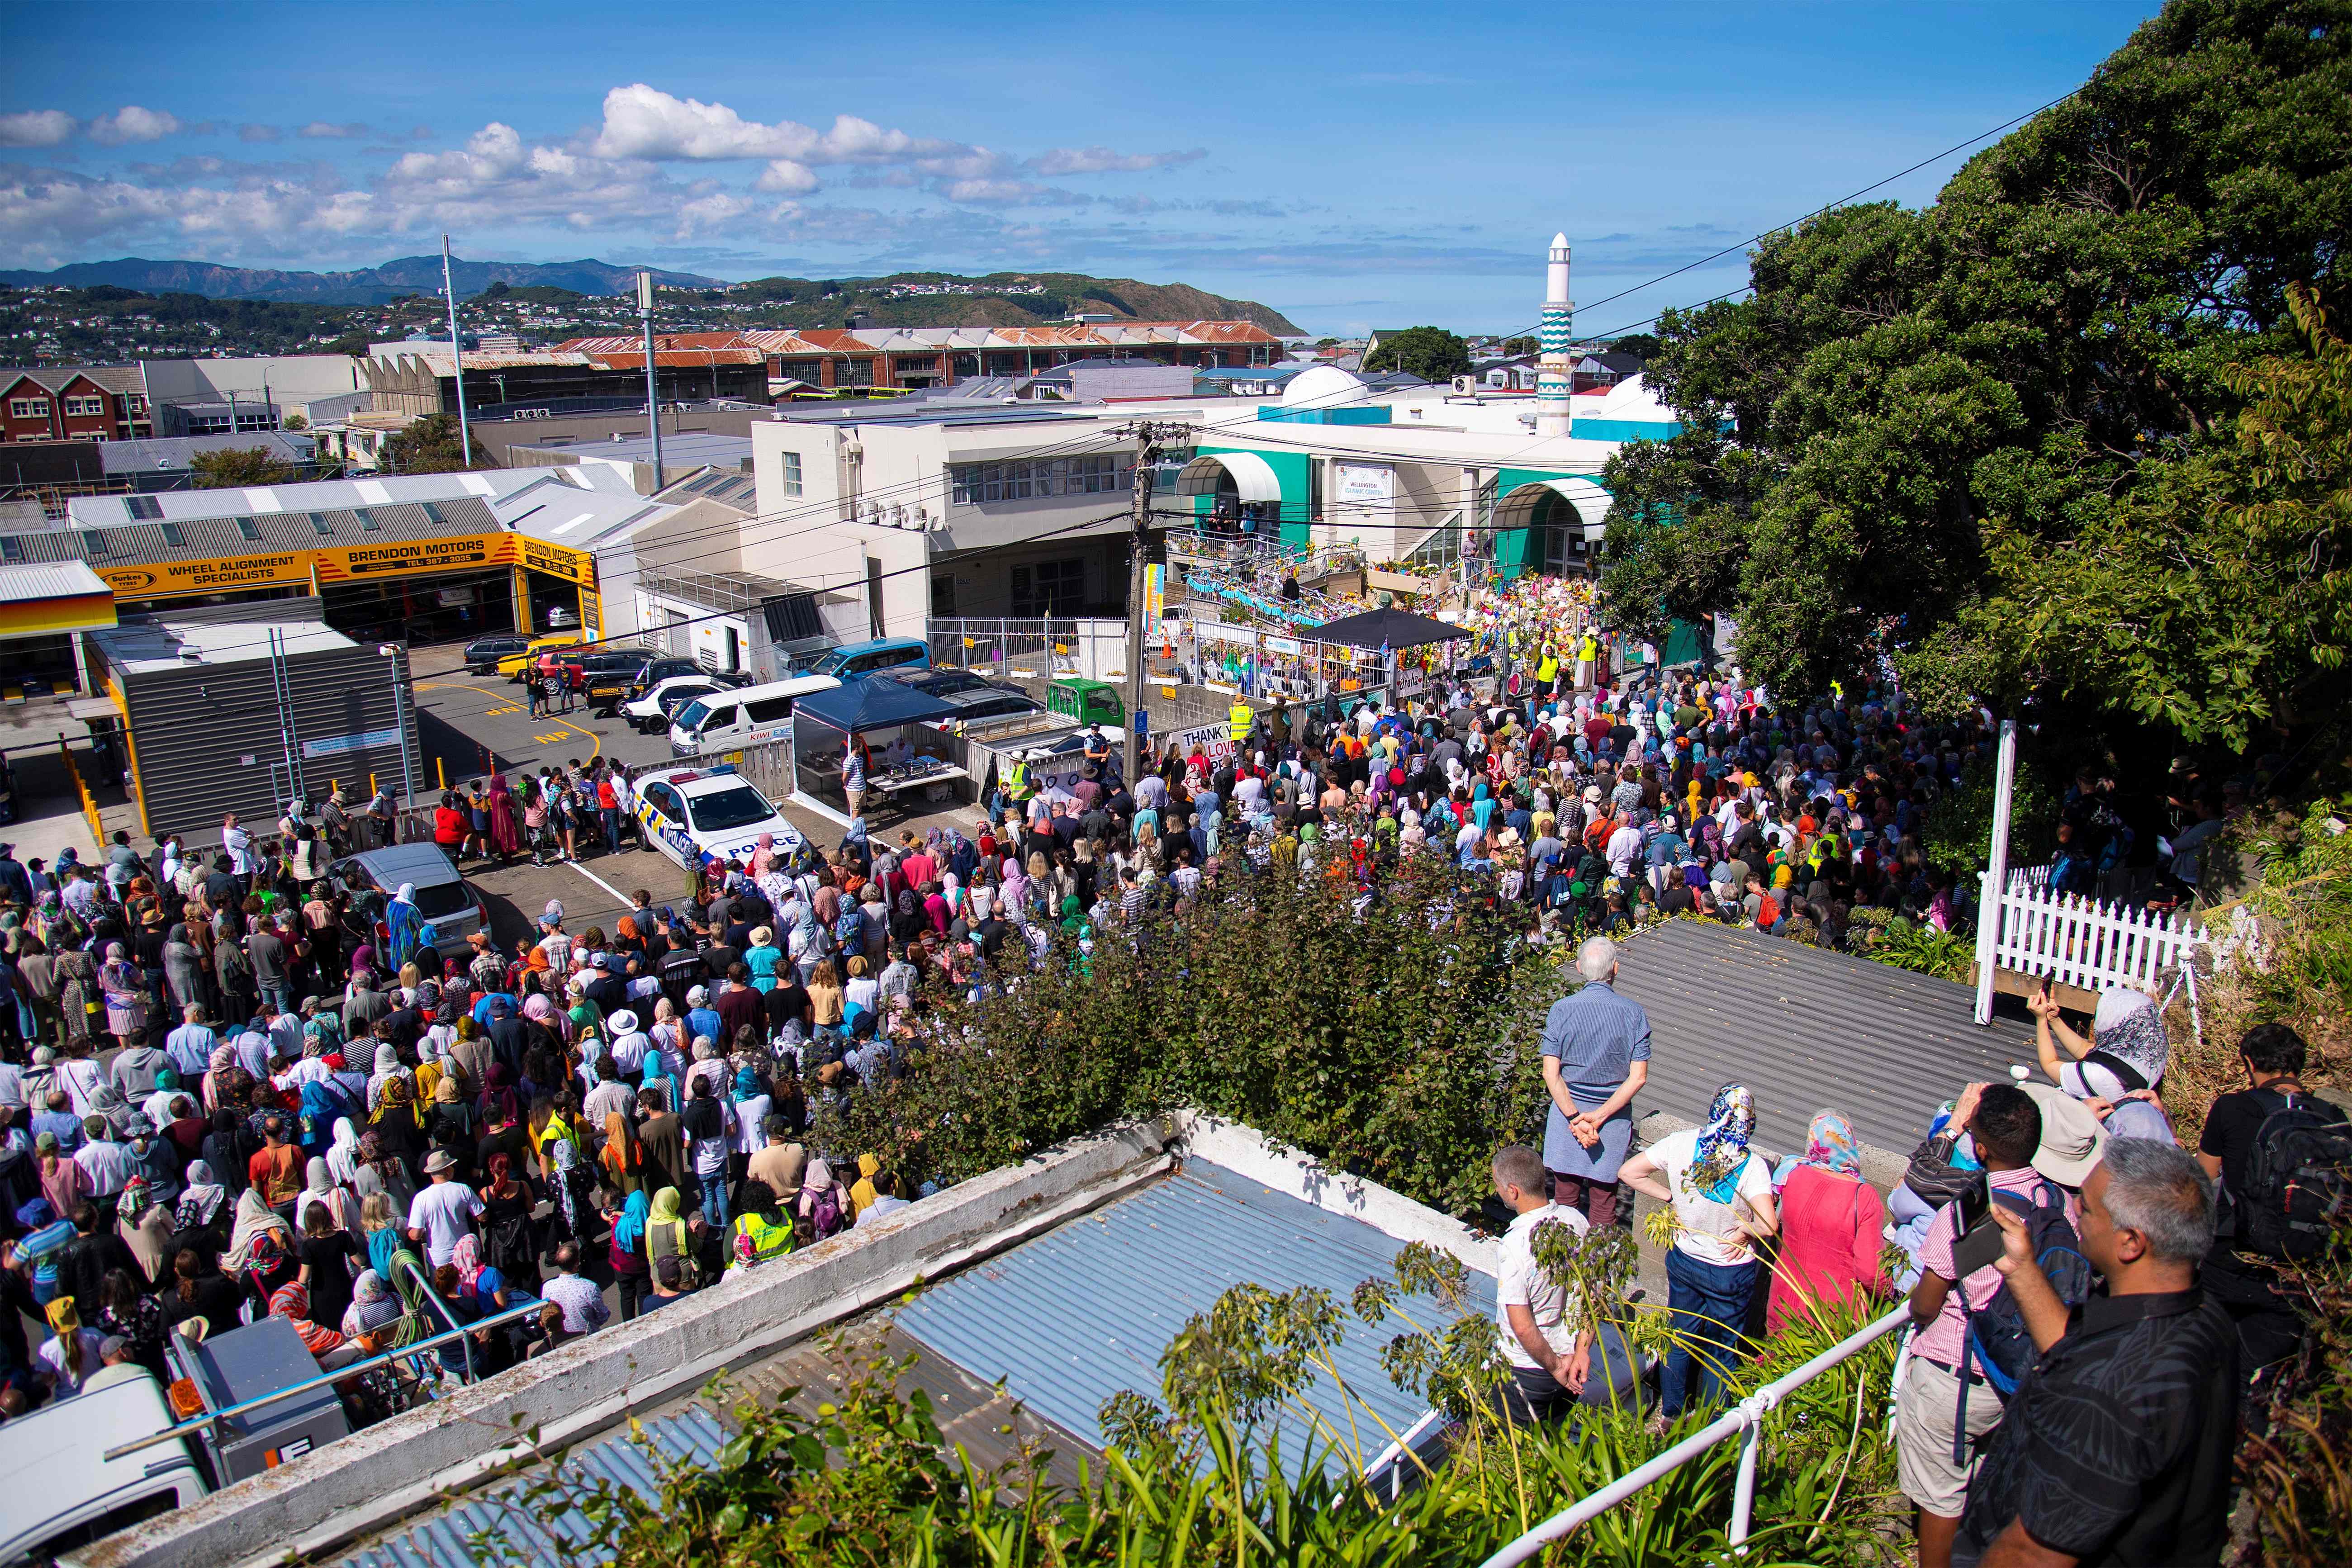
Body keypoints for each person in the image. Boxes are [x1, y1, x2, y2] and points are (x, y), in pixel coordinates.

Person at [1952, 1140, 2239, 1568]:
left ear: (2130, 1243)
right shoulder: (2203, 1317)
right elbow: (2075, 1347)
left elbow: (2034, 1555)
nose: (2075, 1214)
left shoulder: (2105, 1397)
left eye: (2085, 1208)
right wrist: (2021, 1267)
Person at [1897, 1082, 2065, 1568]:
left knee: (1940, 1497)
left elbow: (1927, 1302)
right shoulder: (2053, 1200)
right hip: (2024, 1367)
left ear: (1982, 1147)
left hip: (1960, 1372)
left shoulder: (1970, 1210)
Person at [2196, 1021, 2342, 1390]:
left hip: (2230, 1263)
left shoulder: (2232, 1108)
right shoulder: (2333, 1119)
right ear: (2299, 1065)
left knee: (2201, 1369)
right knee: (2259, 1384)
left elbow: (2200, 1179)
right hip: (2296, 1273)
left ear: (2248, 1062)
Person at [1618, 1082, 1775, 1426]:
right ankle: (1712, 1420)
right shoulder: (1752, 1166)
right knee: (1723, 1348)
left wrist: (1669, 1198)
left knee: (1680, 1335)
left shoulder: (1680, 1144)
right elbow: (1769, 1224)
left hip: (1685, 1258)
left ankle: (1671, 1413)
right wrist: (1744, 1230)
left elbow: (1628, 1172)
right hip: (1729, 1270)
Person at [1537, 935, 1650, 1227]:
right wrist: (1598, 1118)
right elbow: (1638, 1078)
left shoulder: (1561, 1010)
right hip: (1611, 1120)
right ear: (1616, 968)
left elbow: (1551, 1073)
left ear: (1578, 968)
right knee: (1604, 1203)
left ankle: (1563, 1265)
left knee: (1565, 1200)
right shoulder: (1634, 1013)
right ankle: (1600, 1269)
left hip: (1567, 1115)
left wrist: (1576, 1119)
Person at [1765, 1108, 1886, 1334]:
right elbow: (1871, 1272)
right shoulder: (1864, 1196)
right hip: (1830, 1319)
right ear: (1850, 1141)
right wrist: (1891, 1294)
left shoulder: (1791, 1173)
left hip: (1782, 1305)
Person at [406, 1148, 486, 1269]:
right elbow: (482, 1216)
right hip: (465, 1253)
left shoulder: (421, 1198)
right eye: (452, 1166)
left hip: (439, 1258)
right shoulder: (463, 1189)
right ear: (448, 1170)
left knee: (443, 1287)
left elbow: (416, 1235)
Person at [539, 1242, 610, 1336]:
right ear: (577, 1263)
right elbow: (603, 1316)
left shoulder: (548, 1287)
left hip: (561, 1337)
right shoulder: (589, 1288)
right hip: (589, 1336)